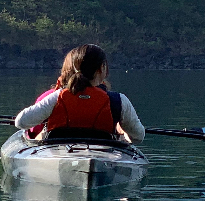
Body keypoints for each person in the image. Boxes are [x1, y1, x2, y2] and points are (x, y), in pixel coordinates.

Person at [14, 44, 145, 143]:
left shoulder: (57, 96)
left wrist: (46, 121)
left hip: (59, 152)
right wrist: (122, 130)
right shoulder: (118, 100)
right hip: (103, 153)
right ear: (102, 68)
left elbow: (21, 122)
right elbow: (138, 136)